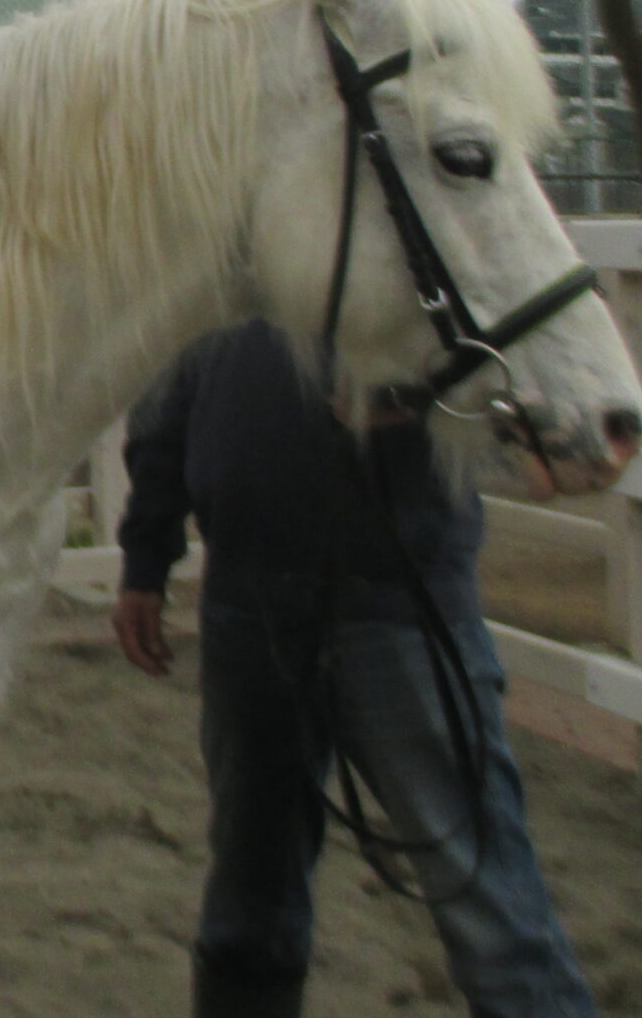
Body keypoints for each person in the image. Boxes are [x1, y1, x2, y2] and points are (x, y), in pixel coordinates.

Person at [113, 324, 596, 1018]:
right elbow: (170, 389)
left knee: (490, 907)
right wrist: (146, 554)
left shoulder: (420, 224)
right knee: (249, 901)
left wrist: (423, 399)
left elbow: (529, 368)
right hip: (249, 607)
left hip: (401, 606)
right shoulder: (229, 243)